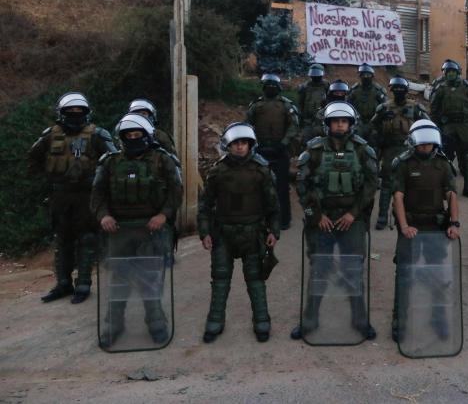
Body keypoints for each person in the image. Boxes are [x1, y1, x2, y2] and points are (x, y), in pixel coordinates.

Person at [91, 113, 182, 347]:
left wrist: (163, 215)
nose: (132, 138)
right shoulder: (109, 162)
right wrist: (104, 216)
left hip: (151, 230)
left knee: (150, 280)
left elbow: (175, 191)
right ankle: (114, 324)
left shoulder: (163, 160)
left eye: (137, 134)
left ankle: (156, 322)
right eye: (128, 135)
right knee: (118, 281)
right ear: (121, 137)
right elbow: (97, 195)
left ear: (146, 135)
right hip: (118, 231)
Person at [292, 101, 379, 341]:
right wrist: (315, 216)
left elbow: (372, 185)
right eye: (335, 121)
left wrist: (354, 213)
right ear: (328, 124)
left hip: (351, 219)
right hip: (322, 220)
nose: (340, 125)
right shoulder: (315, 150)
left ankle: (360, 320)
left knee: (353, 270)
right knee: (319, 270)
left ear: (351, 124)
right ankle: (309, 321)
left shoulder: (363, 150)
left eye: (344, 121)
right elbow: (302, 185)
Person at [29, 92, 116, 304]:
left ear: (87, 113)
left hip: (87, 195)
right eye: (71, 111)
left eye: (80, 111)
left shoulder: (98, 134)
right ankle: (63, 283)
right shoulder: (50, 135)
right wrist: (50, 179)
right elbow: (34, 157)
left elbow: (113, 160)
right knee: (63, 240)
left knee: (87, 239)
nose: (75, 115)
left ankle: (84, 283)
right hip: (60, 195)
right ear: (62, 113)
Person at [197, 123, 280, 343]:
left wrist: (274, 231)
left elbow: (273, 205)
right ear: (228, 145)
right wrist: (204, 232)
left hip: (253, 233)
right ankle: (215, 321)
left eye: (244, 143)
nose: (240, 147)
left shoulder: (261, 170)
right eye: (236, 143)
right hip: (223, 233)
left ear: (250, 144)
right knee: (220, 279)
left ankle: (262, 321)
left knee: (255, 280)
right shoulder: (217, 171)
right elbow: (205, 204)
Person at [391, 120, 460, 342]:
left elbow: (451, 195)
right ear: (413, 142)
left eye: (429, 144)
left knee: (437, 275)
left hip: (436, 227)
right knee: (404, 275)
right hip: (411, 227)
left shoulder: (443, 165)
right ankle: (400, 321)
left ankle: (438, 318)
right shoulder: (403, 164)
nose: (425, 148)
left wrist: (454, 223)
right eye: (421, 144)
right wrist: (403, 227)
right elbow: (398, 197)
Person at [370, 76, 429, 229]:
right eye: (395, 89)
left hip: (409, 149)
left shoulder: (415, 107)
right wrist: (381, 118)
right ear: (391, 90)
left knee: (412, 182)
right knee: (387, 185)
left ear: (406, 90)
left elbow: (427, 124)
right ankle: (383, 216)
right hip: (390, 149)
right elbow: (371, 126)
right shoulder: (384, 108)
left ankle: (411, 214)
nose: (398, 92)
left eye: (401, 89)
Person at [247, 73, 299, 230]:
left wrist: (283, 144)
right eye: (267, 86)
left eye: (273, 86)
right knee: (258, 186)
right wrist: (254, 143)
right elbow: (248, 126)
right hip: (260, 150)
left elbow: (293, 126)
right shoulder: (256, 105)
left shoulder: (286, 106)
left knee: (282, 186)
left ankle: (284, 219)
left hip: (280, 151)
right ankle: (261, 219)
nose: (270, 88)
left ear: (278, 88)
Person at [430, 61, 468, 199]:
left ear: (458, 73)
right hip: (447, 126)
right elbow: (434, 110)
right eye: (448, 72)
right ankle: (447, 187)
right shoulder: (440, 88)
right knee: (445, 157)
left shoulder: (467, 88)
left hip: (464, 126)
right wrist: (435, 127)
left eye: (453, 72)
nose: (450, 74)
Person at [347, 63, 387, 147]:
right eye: (363, 75)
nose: (365, 77)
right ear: (360, 76)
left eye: (368, 75)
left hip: (374, 122)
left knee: (374, 143)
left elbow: (384, 106)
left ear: (372, 76)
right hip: (358, 123)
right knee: (355, 142)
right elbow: (348, 106)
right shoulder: (354, 90)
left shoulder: (378, 91)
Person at [297, 63, 330, 145]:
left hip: (322, 120)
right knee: (306, 142)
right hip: (307, 121)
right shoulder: (305, 87)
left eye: (317, 74)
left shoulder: (326, 86)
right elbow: (301, 103)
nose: (315, 77)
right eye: (313, 74)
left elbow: (330, 101)